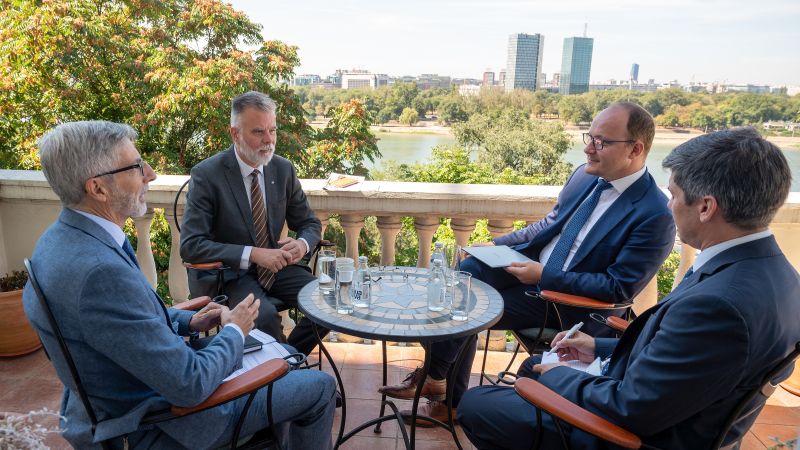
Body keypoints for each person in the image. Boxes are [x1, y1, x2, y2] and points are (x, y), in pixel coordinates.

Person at [457, 127, 800, 449]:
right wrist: (598, 346)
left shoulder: (719, 306)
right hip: (664, 401)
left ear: (706, 207)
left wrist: (560, 377)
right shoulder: (778, 275)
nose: (669, 205)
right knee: (532, 369)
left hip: (631, 436)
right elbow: (684, 356)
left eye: (675, 195)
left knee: (477, 404)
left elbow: (630, 408)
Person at [23, 121, 336, 449]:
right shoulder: (100, 274)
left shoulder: (58, 241)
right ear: (98, 189)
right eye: (136, 166)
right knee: (318, 386)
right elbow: (191, 384)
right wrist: (234, 330)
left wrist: (189, 321)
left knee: (283, 355)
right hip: (165, 421)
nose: (151, 174)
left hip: (132, 390)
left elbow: (122, 323)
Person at [379, 102, 676, 424]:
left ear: (635, 149)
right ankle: (440, 386)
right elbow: (548, 226)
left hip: (570, 304)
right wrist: (495, 245)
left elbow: (618, 288)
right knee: (465, 276)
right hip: (532, 273)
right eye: (589, 137)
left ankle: (439, 385)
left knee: (467, 306)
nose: (589, 148)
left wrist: (544, 276)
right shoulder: (585, 176)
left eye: (601, 142)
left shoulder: (654, 213)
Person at [180, 91, 326, 356]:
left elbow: (309, 222)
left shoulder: (282, 169)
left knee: (329, 301)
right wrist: (254, 254)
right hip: (228, 274)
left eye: (273, 130)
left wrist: (302, 245)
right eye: (259, 132)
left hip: (276, 268)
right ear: (235, 134)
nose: (269, 140)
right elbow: (191, 246)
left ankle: (287, 358)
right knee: (265, 317)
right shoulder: (207, 175)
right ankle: (283, 364)